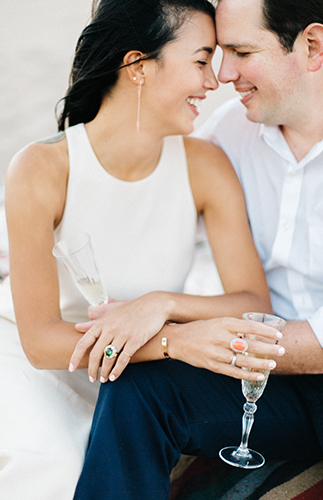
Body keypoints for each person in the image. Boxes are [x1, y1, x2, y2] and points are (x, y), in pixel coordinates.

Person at [0, 0, 283, 499]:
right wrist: (175, 343)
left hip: (132, 373)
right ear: (137, 66)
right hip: (38, 362)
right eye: (200, 60)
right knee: (64, 465)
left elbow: (252, 303)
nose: (213, 81)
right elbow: (41, 342)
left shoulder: (205, 164)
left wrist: (164, 309)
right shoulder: (41, 169)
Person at [71, 0, 323, 498]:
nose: (224, 74)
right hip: (272, 384)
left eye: (242, 51)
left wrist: (198, 336)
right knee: (139, 386)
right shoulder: (230, 131)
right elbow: (142, 186)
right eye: (218, 53)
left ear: (312, 46)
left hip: (276, 353)